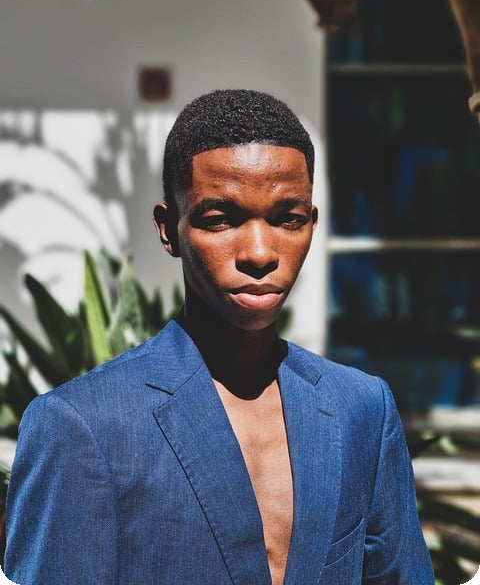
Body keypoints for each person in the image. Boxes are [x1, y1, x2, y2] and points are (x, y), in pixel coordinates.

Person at [3, 89, 434, 584]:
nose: (259, 253)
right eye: (220, 220)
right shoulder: (82, 426)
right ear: (169, 229)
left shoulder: (362, 409)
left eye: (288, 219)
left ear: (312, 225)